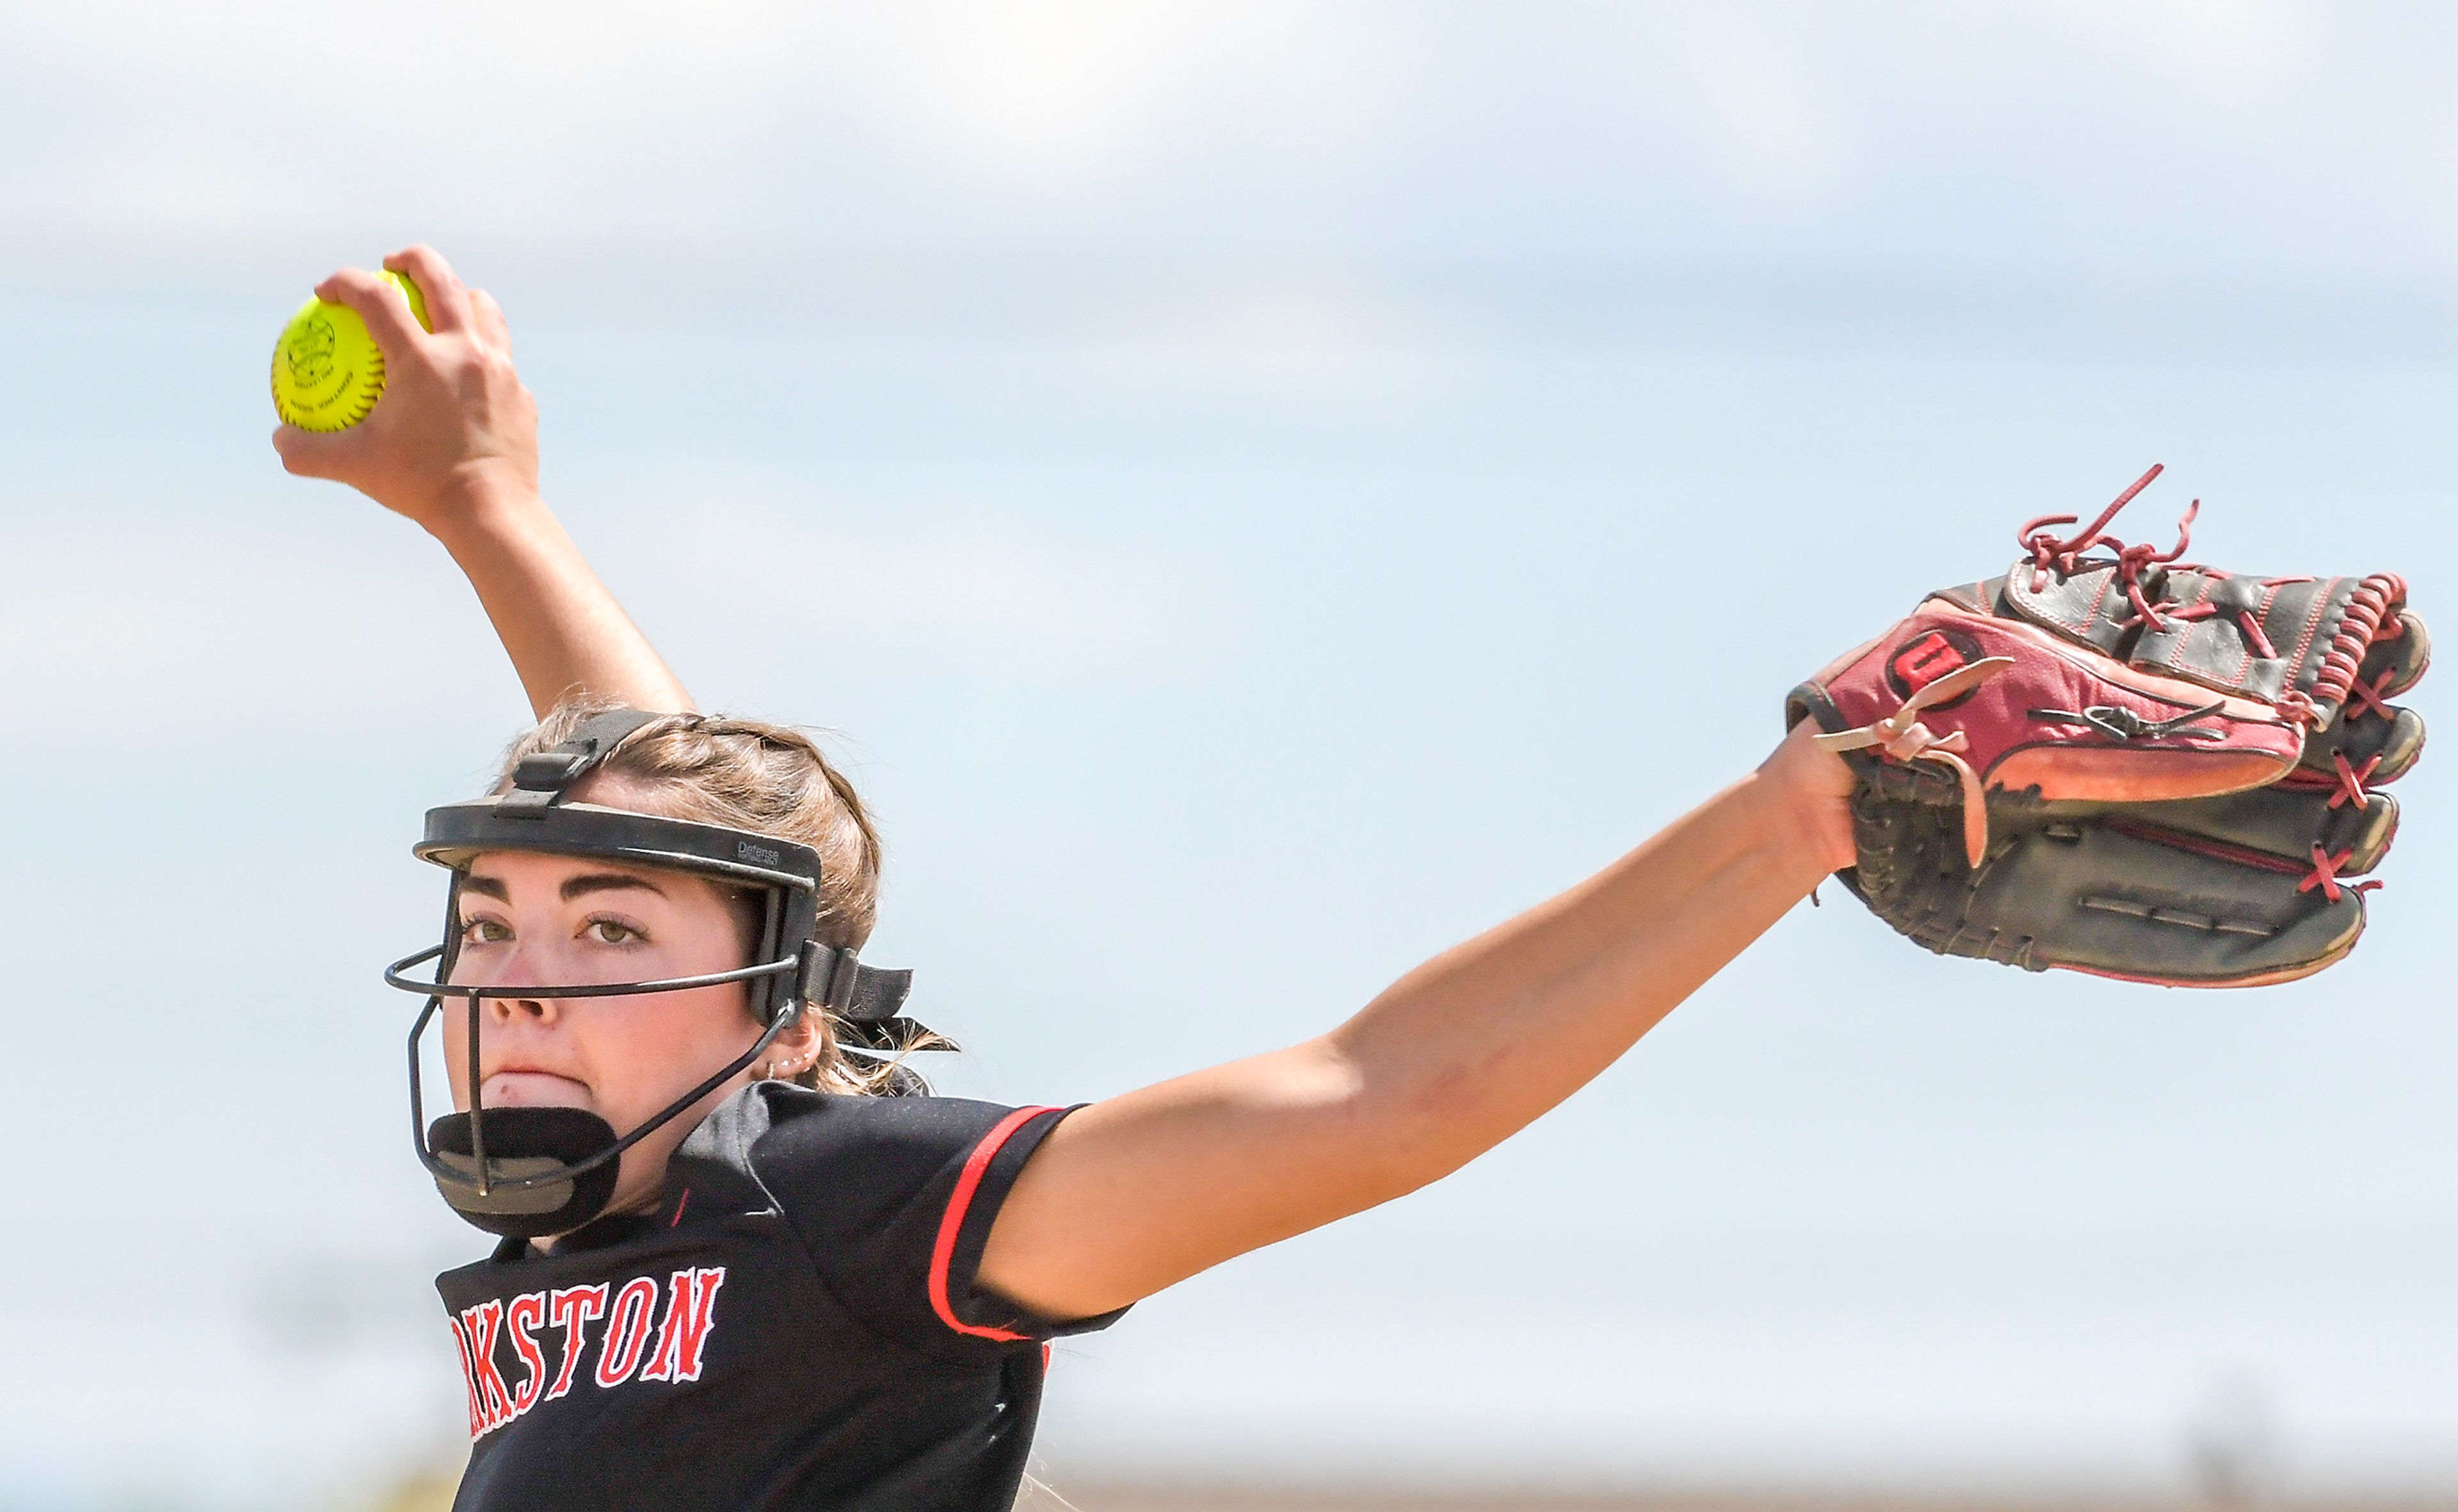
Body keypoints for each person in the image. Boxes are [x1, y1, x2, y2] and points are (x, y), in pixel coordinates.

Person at [275, 246, 1857, 1512]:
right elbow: (714, 849)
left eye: (611, 931)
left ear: (790, 1026)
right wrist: (485, 504)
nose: (521, 977)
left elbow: (1379, 1093)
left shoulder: (833, 1210)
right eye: (490, 924)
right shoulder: (604, 1249)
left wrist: (1792, 818)